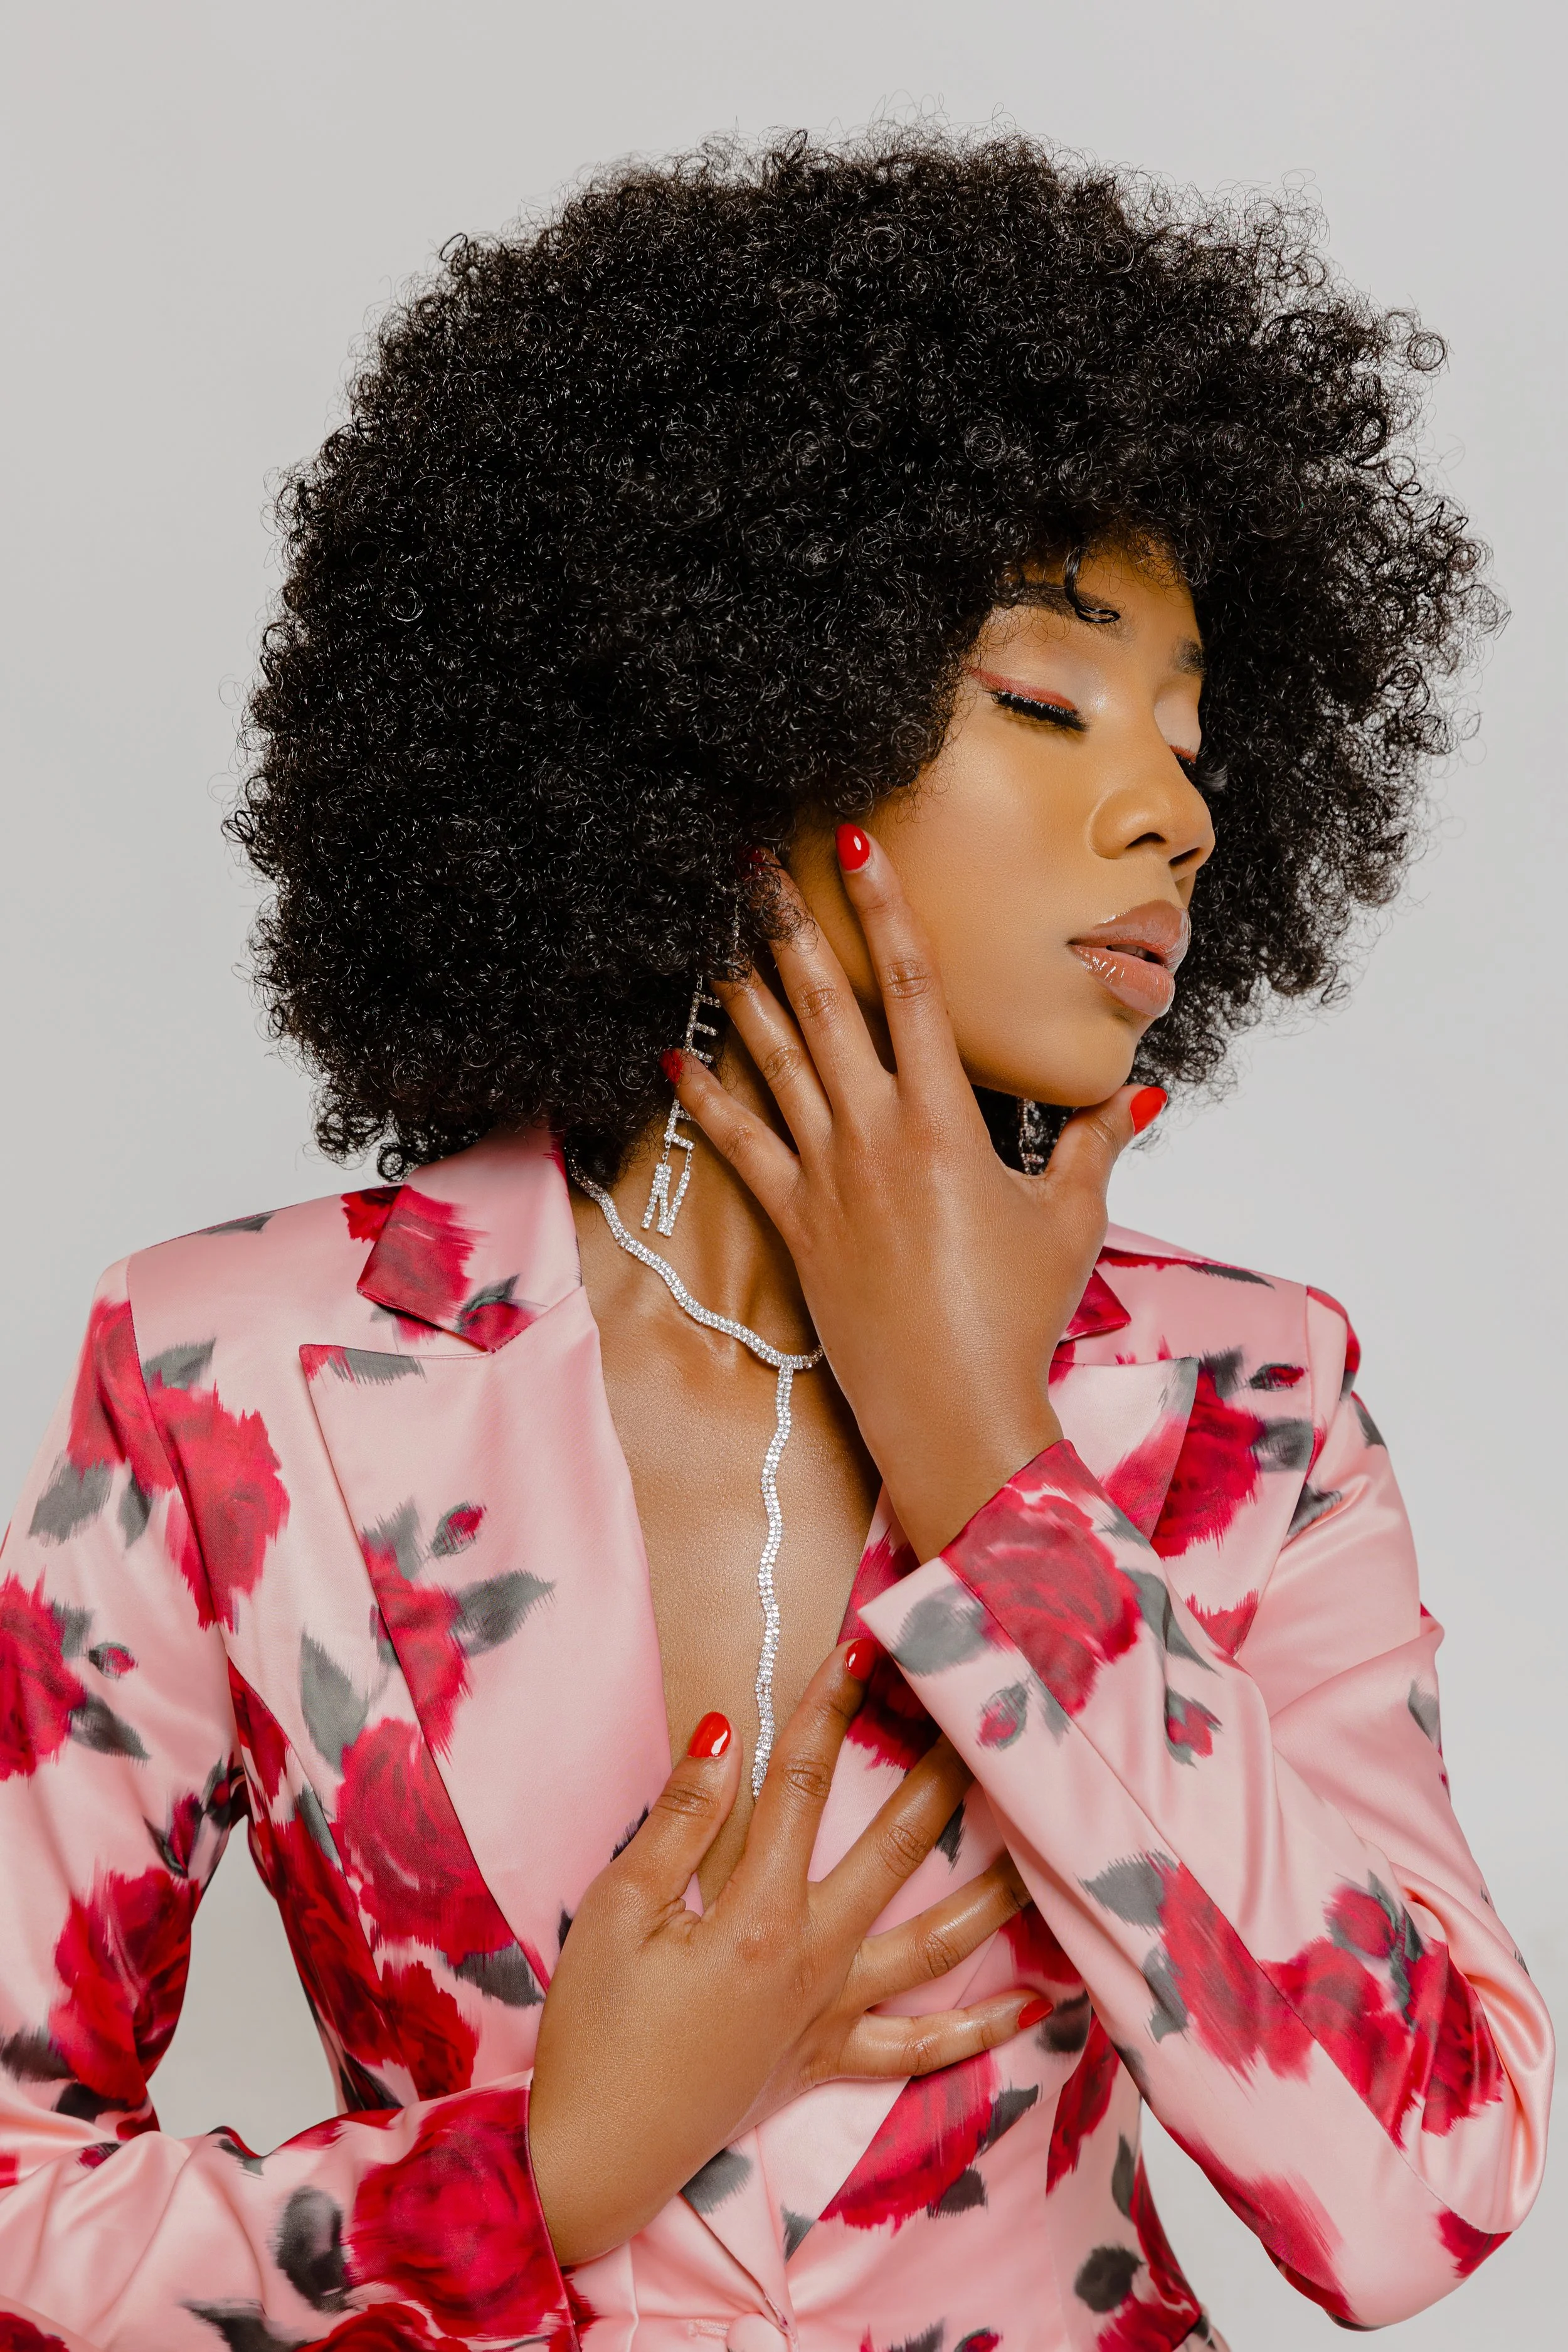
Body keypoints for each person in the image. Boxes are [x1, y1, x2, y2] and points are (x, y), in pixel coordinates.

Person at [0, 129, 1550, 2352]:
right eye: (1047, 699)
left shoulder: (1247, 1404)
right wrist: (546, 2167)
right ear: (725, 708)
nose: (1174, 809)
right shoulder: (221, 1373)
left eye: (1200, 742)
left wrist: (991, 1460)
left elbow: (1426, 2188)